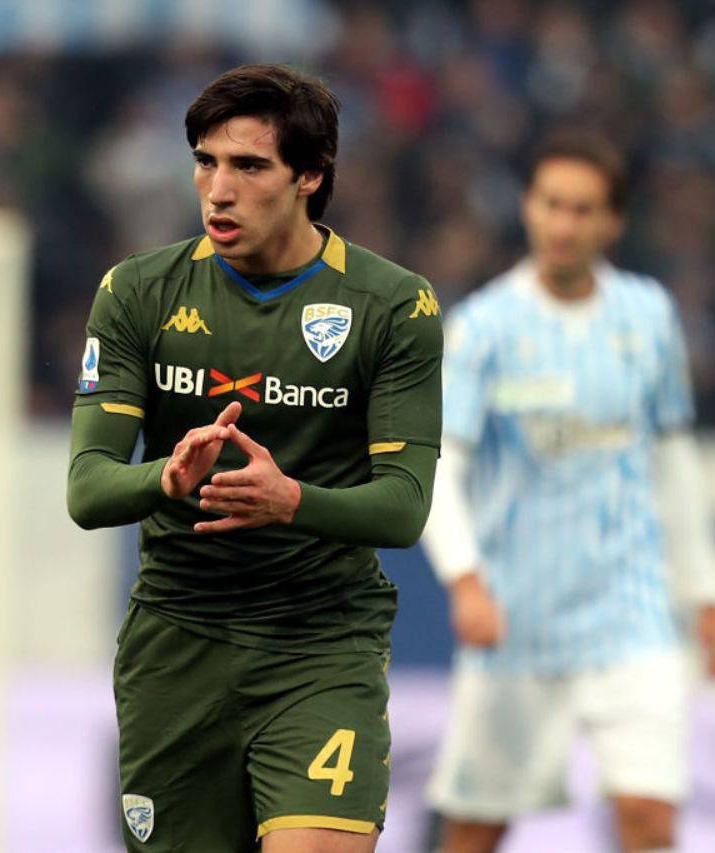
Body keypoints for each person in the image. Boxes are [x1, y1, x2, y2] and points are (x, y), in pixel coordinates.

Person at [66, 64, 443, 853]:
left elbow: (405, 504)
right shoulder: (138, 292)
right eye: (206, 161)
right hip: (178, 645)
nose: (217, 189)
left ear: (310, 176)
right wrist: (164, 476)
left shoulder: (392, 306)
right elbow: (89, 486)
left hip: (320, 644)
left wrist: (291, 499)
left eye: (248, 166)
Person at [421, 130, 715, 853]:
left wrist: (705, 595)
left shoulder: (648, 316)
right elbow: (438, 465)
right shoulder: (484, 328)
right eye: (551, 204)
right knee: (474, 828)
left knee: (650, 818)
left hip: (631, 616)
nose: (564, 225)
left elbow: (673, 459)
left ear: (612, 222)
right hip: (517, 618)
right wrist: (465, 576)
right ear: (529, 209)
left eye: (583, 209)